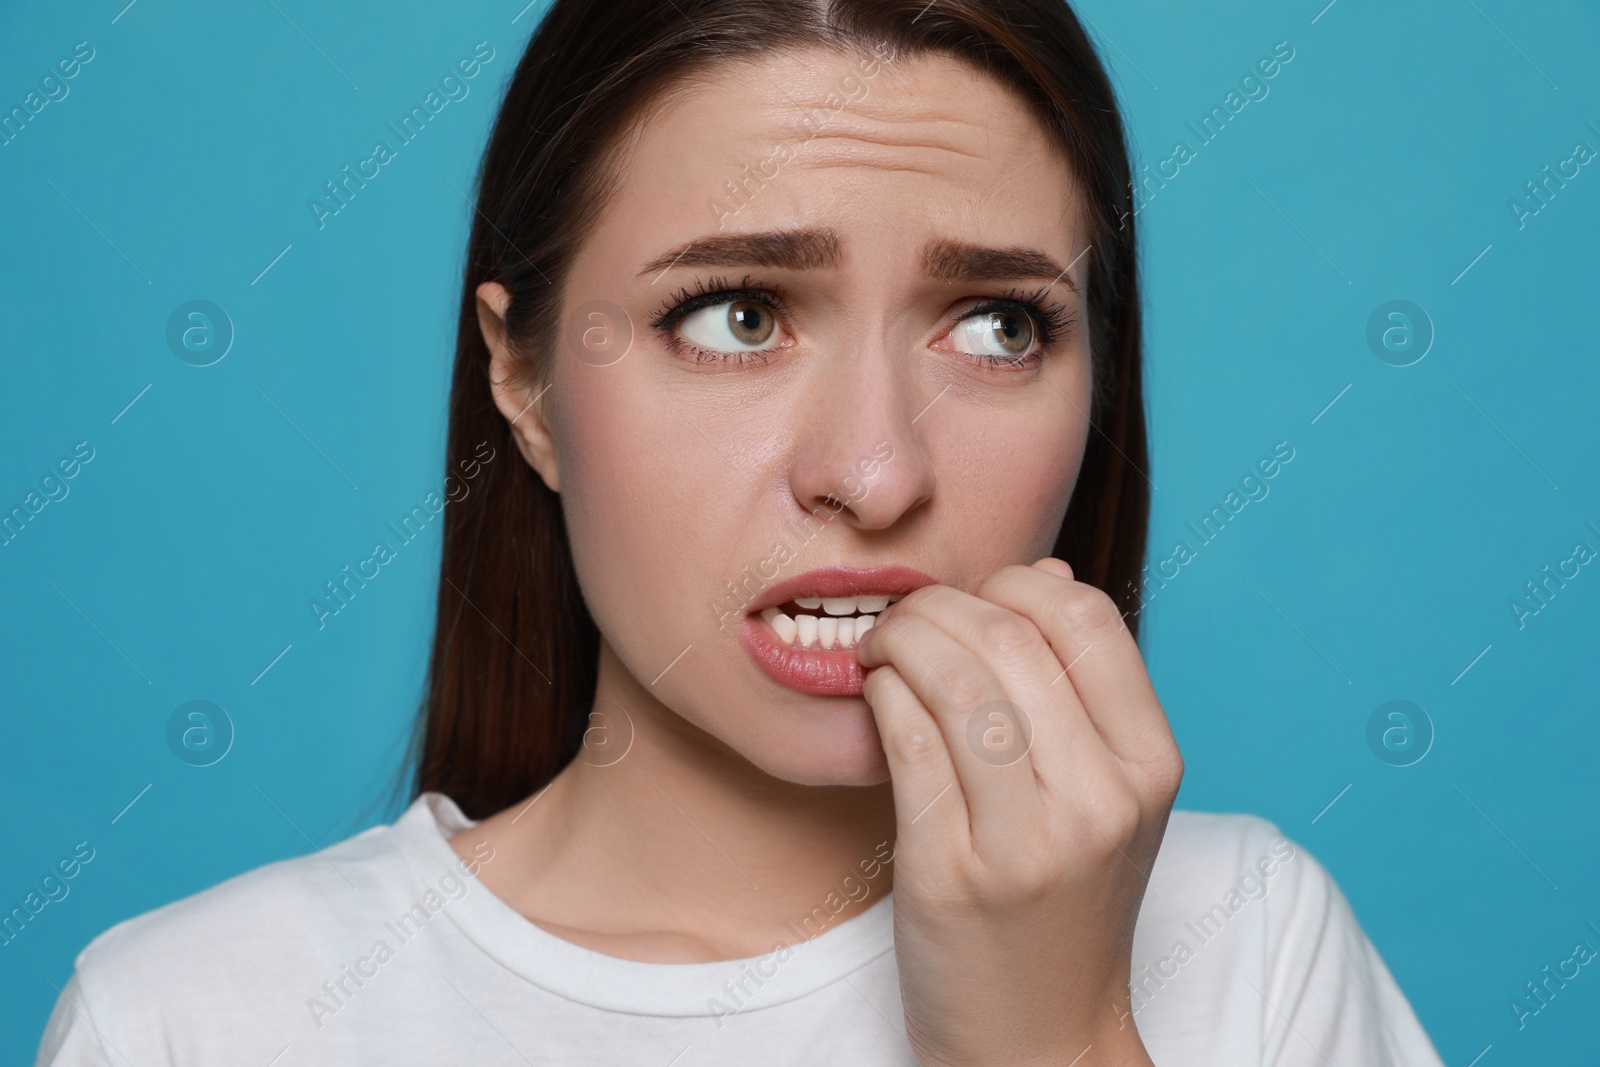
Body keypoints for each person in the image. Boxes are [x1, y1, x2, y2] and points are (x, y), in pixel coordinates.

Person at [37, 0, 1445, 1063]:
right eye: (738, 317)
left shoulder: (1253, 943)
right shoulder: (197, 1021)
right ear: (520, 379)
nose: (875, 472)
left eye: (996, 325)